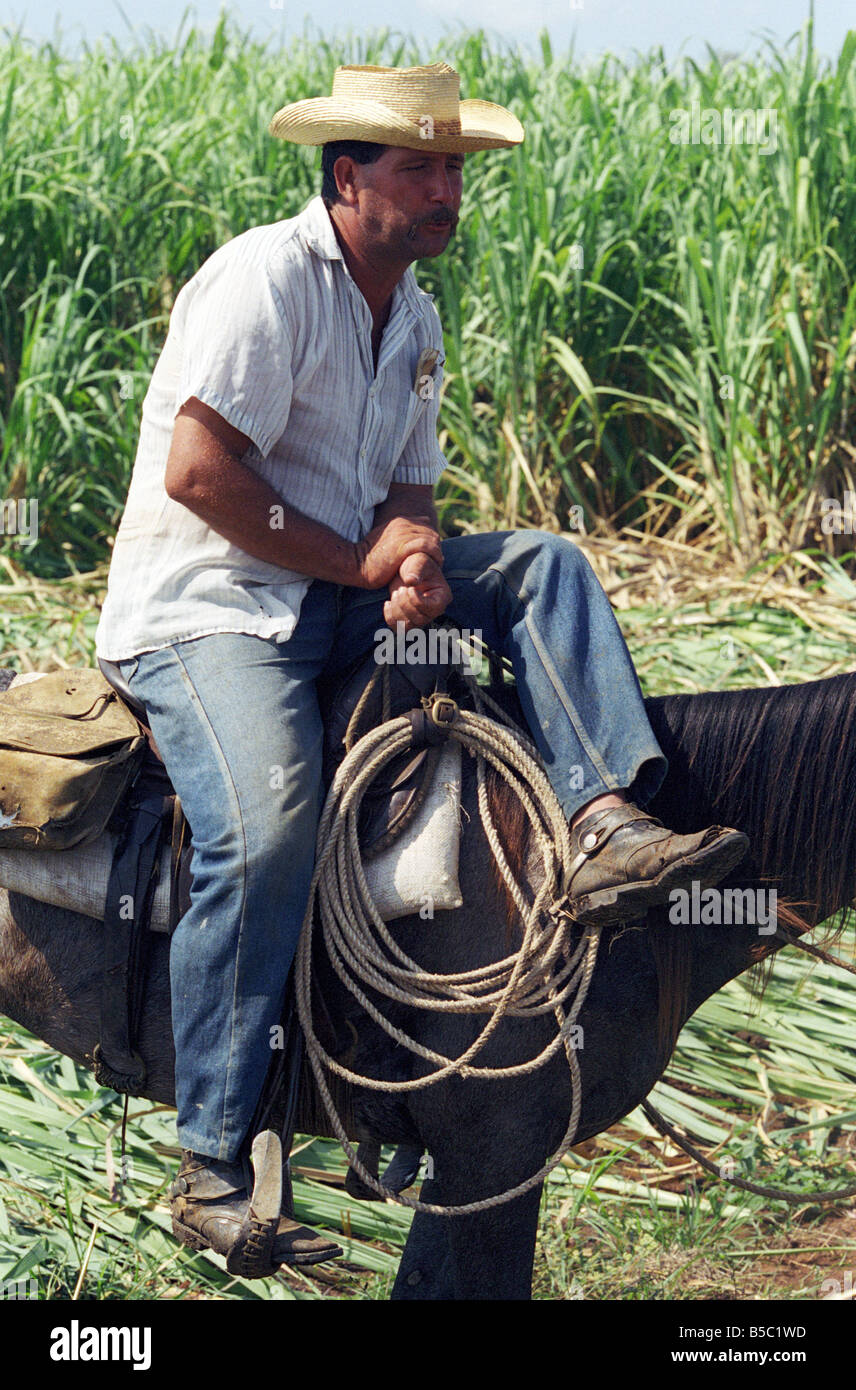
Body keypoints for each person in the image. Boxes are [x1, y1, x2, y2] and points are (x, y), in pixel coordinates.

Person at [94, 61, 747, 1273]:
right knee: (271, 821)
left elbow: (407, 493)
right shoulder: (264, 280)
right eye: (423, 168)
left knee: (541, 566)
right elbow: (198, 471)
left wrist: (416, 565)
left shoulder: (417, 320)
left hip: (331, 595)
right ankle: (211, 1158)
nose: (449, 190)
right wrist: (358, 562)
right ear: (349, 178)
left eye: (456, 168)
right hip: (210, 612)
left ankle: (602, 818)